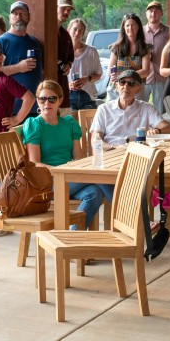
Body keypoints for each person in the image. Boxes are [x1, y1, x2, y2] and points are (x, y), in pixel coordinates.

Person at [22, 79, 108, 229]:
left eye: (52, 99)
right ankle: (124, 207)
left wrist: (73, 171)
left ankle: (71, 239)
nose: (46, 103)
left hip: (70, 179)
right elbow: (34, 163)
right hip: (47, 183)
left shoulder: (69, 124)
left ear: (60, 100)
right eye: (42, 99)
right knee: (99, 177)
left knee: (94, 193)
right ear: (37, 101)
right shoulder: (34, 125)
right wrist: (62, 172)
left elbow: (78, 158)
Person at [90, 69, 169, 146]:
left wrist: (157, 131)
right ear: (117, 87)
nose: (126, 86)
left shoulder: (147, 108)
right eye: (122, 82)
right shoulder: (104, 109)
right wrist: (114, 147)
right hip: (110, 153)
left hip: (136, 153)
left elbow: (168, 128)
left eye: (131, 83)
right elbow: (95, 140)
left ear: (138, 89)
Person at [0, 0, 44, 111]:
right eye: (15, 14)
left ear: (29, 17)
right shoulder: (0, 42)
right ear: (9, 17)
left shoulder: (35, 42)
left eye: (22, 13)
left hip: (35, 107)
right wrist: (19, 67)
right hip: (11, 108)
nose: (19, 16)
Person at [65, 18, 102, 110]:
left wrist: (87, 79)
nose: (77, 33)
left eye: (81, 31)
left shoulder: (91, 51)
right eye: (75, 29)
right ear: (68, 30)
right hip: (67, 96)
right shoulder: (62, 52)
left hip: (88, 96)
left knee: (89, 123)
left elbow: (99, 75)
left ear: (83, 33)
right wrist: (68, 84)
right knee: (71, 123)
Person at [109, 13, 152, 85]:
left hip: (136, 88)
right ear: (124, 28)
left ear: (138, 27)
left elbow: (145, 72)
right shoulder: (117, 47)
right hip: (118, 87)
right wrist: (114, 74)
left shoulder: (145, 48)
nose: (130, 28)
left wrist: (123, 75)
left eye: (133, 25)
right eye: (127, 25)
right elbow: (110, 70)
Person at [141, 1, 170, 105]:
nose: (153, 14)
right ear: (146, 13)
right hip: (143, 79)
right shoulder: (139, 31)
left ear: (161, 13)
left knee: (160, 112)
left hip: (162, 78)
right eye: (151, 11)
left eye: (156, 11)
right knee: (138, 110)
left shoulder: (169, 31)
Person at [56, 0, 77, 89]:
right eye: (63, 8)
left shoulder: (66, 35)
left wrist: (68, 65)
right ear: (54, 8)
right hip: (45, 82)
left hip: (61, 82)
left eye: (69, 10)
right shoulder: (44, 31)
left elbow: (70, 57)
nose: (66, 12)